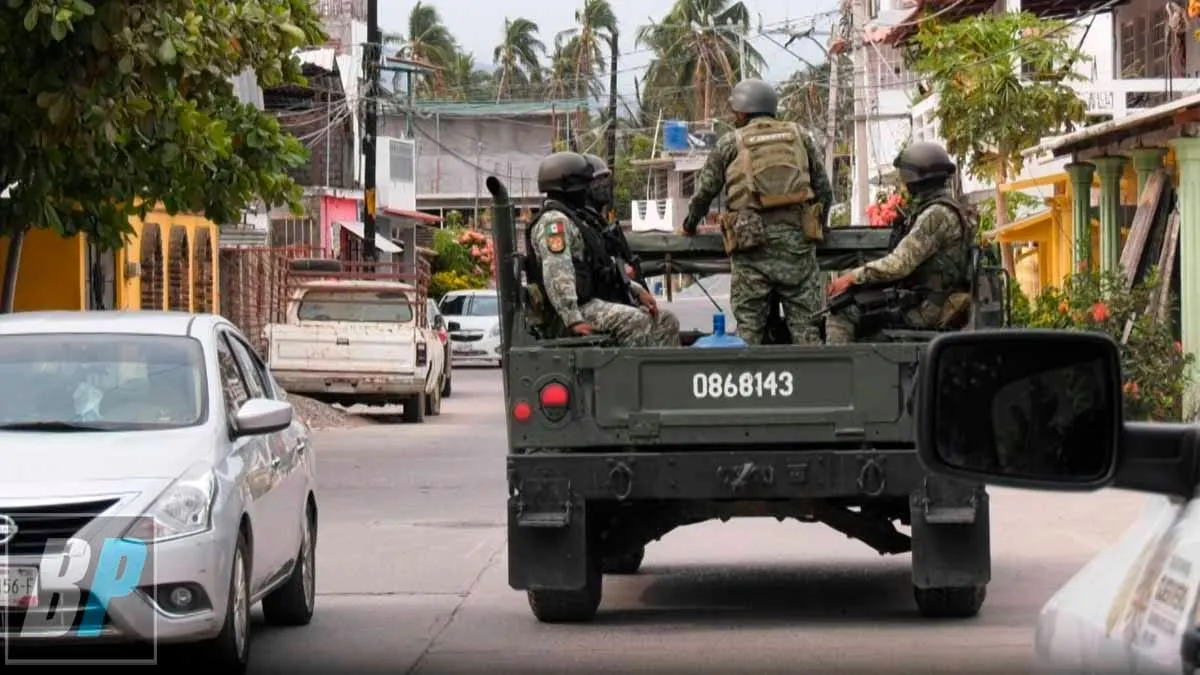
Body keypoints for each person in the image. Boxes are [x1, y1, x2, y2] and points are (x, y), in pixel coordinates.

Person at [680, 78, 833, 345]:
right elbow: (824, 190)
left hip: (750, 248)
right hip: (797, 246)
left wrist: (688, 226)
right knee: (807, 332)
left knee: (749, 331)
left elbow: (704, 193)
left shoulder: (730, 142)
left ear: (741, 111)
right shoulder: (799, 136)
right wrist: (821, 225)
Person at [824, 141, 974, 344]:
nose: (904, 185)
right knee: (855, 300)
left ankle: (838, 373)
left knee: (842, 311)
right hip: (930, 300)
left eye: (906, 179)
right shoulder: (947, 209)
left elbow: (899, 264)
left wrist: (852, 277)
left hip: (927, 308)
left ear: (917, 181)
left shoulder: (936, 215)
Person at [526, 151, 680, 347]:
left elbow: (599, 267)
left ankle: (661, 377)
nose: (586, 190)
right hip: (567, 312)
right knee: (636, 321)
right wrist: (573, 318)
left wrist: (637, 289)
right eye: (583, 185)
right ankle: (631, 377)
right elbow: (557, 274)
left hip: (587, 303)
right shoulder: (555, 223)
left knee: (666, 321)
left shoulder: (577, 219)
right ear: (568, 187)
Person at [581, 153, 644, 286]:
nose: (604, 186)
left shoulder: (598, 222)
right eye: (598, 181)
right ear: (586, 186)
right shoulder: (583, 224)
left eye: (605, 180)